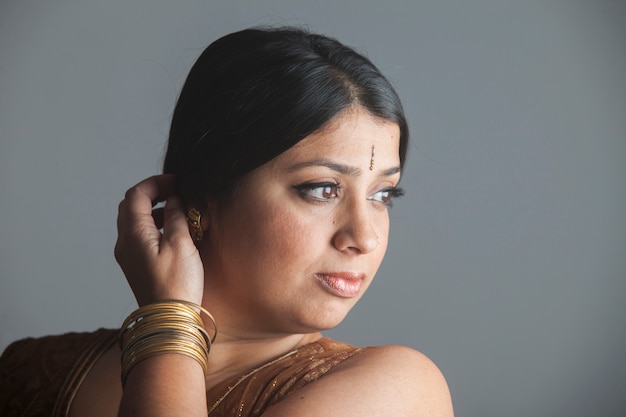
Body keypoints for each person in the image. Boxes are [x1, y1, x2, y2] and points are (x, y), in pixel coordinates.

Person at [0, 26, 454, 416]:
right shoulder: (31, 370)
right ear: (203, 195)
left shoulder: (398, 391)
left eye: (382, 195)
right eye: (321, 189)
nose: (365, 237)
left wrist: (169, 319)